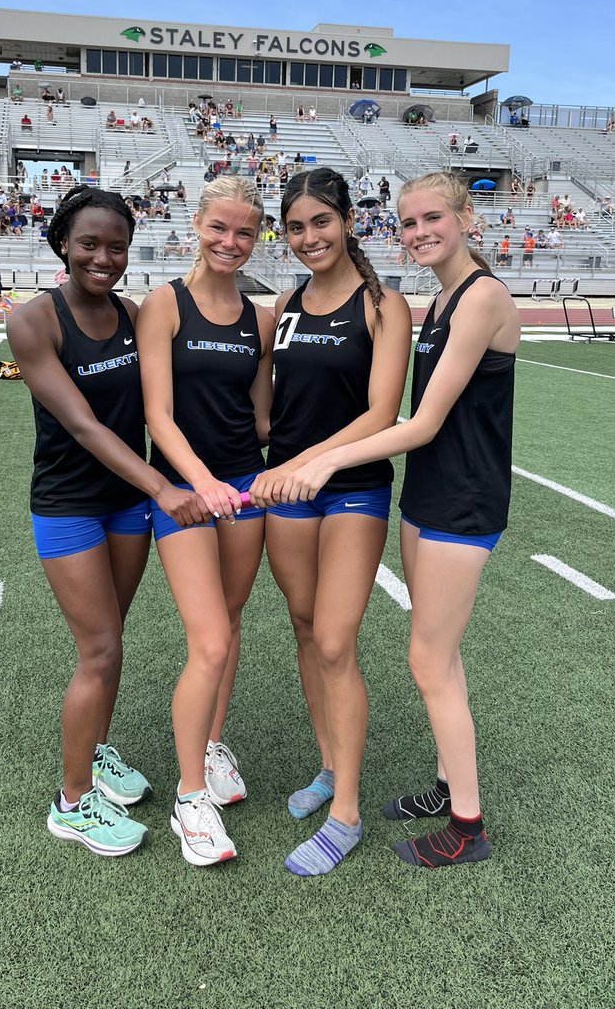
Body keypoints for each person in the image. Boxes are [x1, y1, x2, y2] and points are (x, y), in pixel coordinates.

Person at [276, 170, 520, 869]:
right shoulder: (443, 298)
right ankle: (449, 786)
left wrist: (324, 463)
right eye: (409, 222)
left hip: (462, 500)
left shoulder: (482, 298)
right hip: (428, 497)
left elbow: (422, 422)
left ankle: (467, 829)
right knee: (441, 652)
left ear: (466, 217)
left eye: (432, 218)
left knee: (427, 660)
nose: (418, 232)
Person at [7, 185, 206, 859]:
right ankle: (71, 803)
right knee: (99, 650)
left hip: (125, 506)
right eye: (90, 243)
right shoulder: (35, 321)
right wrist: (163, 486)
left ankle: (93, 753)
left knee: (109, 640)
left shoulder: (129, 312)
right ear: (63, 241)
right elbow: (83, 424)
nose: (103, 257)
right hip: (70, 505)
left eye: (116, 247)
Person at [248, 167, 412, 877]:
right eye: (295, 227)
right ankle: (328, 764)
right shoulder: (285, 301)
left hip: (353, 491)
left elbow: (381, 414)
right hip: (289, 492)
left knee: (339, 642)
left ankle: (345, 810)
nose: (309, 237)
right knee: (307, 629)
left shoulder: (384, 305)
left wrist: (307, 463)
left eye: (321, 222)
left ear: (348, 221)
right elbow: (268, 400)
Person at [136, 175, 275, 866]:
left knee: (234, 618)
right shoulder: (163, 304)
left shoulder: (261, 317)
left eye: (245, 232)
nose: (231, 242)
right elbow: (157, 415)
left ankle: (213, 744)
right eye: (220, 228)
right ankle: (190, 799)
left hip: (244, 490)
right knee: (210, 641)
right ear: (196, 224)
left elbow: (259, 415)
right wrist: (201, 483)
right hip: (188, 495)